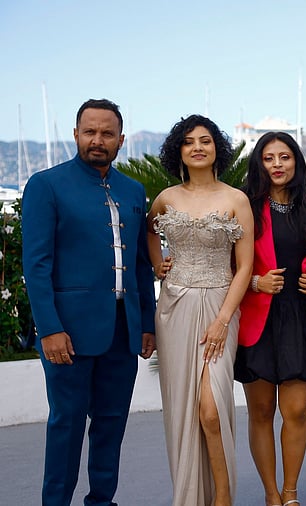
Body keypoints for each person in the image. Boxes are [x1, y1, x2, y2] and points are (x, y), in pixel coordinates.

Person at [22, 98, 157, 505]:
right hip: (68, 332)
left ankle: (102, 500)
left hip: (122, 331)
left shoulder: (133, 190)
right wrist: (49, 328)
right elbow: (37, 265)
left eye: (107, 133)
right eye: (90, 131)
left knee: (111, 424)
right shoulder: (46, 185)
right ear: (76, 134)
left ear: (121, 140)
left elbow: (139, 265)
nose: (98, 140)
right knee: (66, 425)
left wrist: (146, 323)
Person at [148, 115, 254, 506]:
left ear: (216, 149)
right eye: (189, 141)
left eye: (205, 140)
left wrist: (223, 320)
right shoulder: (166, 197)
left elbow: (244, 267)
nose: (197, 147)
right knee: (182, 409)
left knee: (211, 409)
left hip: (219, 307)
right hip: (174, 308)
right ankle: (190, 496)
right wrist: (158, 263)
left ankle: (222, 498)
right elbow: (148, 230)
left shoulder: (235, 199)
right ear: (178, 150)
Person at [235, 131, 306, 506]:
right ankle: (271, 494)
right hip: (257, 317)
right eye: (269, 158)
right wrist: (255, 281)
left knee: (297, 411)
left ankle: (290, 493)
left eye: (284, 157)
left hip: (298, 315)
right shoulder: (245, 206)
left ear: (296, 162)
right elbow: (226, 263)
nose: (277, 164)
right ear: (259, 163)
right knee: (260, 412)